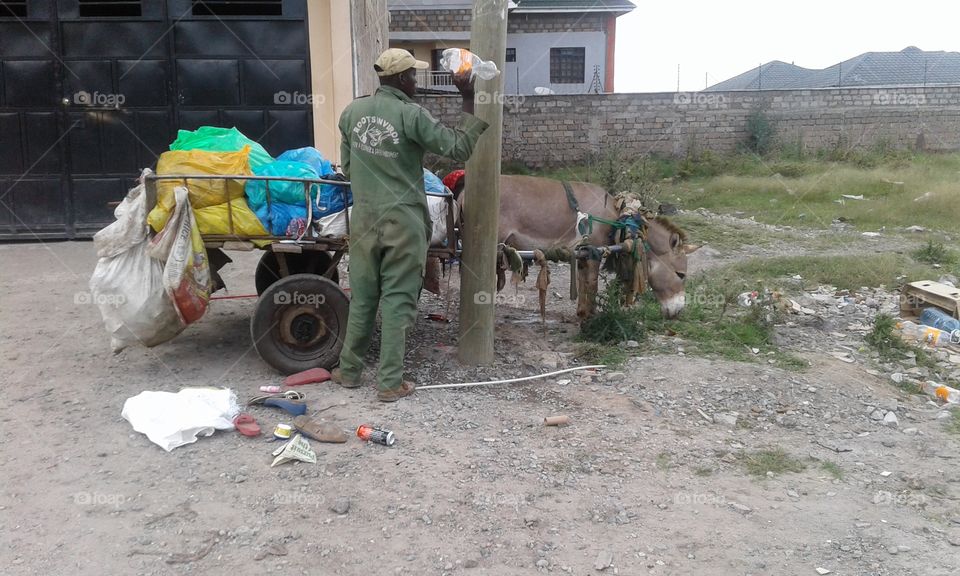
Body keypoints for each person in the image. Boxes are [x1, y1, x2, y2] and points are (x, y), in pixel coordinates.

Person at [333, 48, 489, 402]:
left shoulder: (352, 112)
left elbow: (348, 166)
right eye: (414, 76)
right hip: (402, 221)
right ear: (403, 79)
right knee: (399, 301)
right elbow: (458, 147)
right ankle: (390, 383)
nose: (416, 82)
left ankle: (349, 371)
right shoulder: (410, 115)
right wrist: (467, 97)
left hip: (364, 218)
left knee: (363, 298)